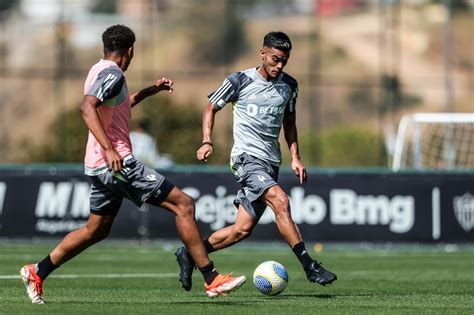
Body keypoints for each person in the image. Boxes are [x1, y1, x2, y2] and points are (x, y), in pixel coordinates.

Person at [20, 24, 245, 304]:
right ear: (130, 51)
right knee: (184, 204)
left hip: (98, 166)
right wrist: (110, 149)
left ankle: (37, 271)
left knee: (96, 230)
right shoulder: (113, 74)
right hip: (117, 163)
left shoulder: (98, 70)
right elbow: (86, 107)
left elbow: (117, 107)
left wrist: (151, 91)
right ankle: (212, 279)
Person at [175, 31, 336, 291]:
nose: (279, 65)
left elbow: (290, 123)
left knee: (242, 229)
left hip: (271, 163)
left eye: (284, 60)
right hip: (246, 158)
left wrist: (295, 157)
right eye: (275, 59)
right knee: (281, 201)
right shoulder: (239, 80)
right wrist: (207, 140)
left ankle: (191, 253)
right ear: (262, 53)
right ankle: (309, 265)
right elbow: (211, 107)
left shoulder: (290, 86)